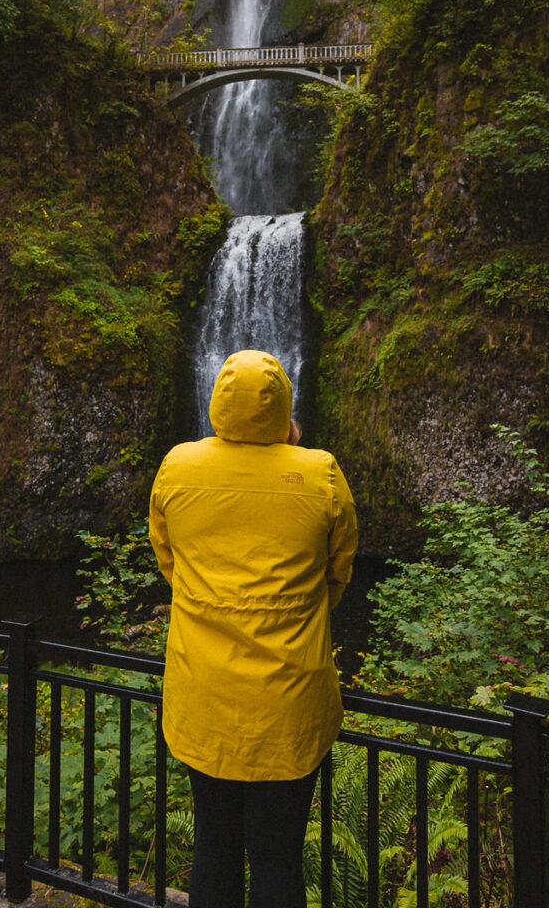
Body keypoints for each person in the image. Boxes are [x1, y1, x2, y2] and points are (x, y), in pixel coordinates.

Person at [149, 349, 358, 908]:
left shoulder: (178, 465)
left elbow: (168, 561)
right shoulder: (320, 473)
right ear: (285, 406)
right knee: (278, 854)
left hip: (205, 699)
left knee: (213, 847)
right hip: (289, 700)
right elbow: (337, 572)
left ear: (218, 402)